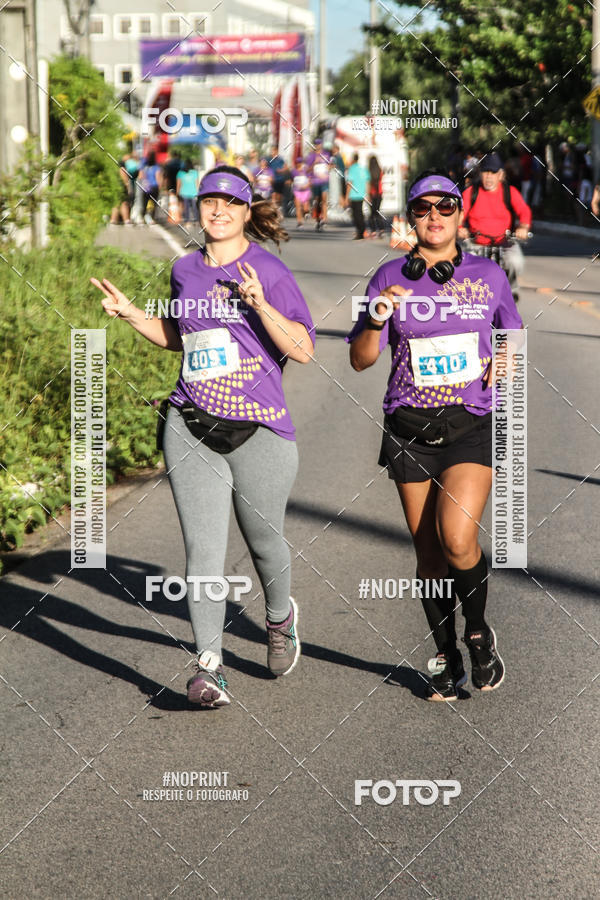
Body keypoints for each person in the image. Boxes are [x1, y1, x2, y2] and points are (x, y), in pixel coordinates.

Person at [91, 165, 315, 708]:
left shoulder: (268, 268)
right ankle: (209, 667)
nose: (217, 211)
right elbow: (182, 337)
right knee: (203, 550)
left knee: (264, 542)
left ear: (246, 211)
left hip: (261, 427)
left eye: (229, 203)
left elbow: (304, 349)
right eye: (208, 201)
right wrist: (132, 316)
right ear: (198, 208)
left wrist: (260, 303)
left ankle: (280, 617)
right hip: (190, 421)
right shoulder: (185, 269)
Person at [347, 168, 523, 701]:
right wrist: (377, 319)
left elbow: (509, 328)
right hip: (408, 427)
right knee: (427, 556)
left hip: (469, 420)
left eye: (445, 207)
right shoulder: (387, 278)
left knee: (457, 539)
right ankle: (444, 655)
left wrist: (507, 357)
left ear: (459, 213)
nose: (434, 217)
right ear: (411, 216)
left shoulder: (487, 277)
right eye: (423, 209)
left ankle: (478, 634)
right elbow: (359, 360)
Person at [459, 151, 532, 299]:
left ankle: (511, 290)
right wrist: (460, 229)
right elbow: (459, 213)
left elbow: (524, 211)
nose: (489, 176)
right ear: (480, 173)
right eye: (486, 172)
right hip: (476, 244)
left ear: (501, 175)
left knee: (515, 261)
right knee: (463, 266)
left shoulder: (509, 192)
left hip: (504, 242)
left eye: (493, 172)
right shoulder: (471, 192)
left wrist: (523, 227)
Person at [306, 138, 331, 230]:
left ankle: (324, 219)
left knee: (324, 199)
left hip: (324, 181)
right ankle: (317, 219)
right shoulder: (311, 156)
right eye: (316, 144)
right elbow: (307, 170)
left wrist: (329, 168)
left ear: (321, 144)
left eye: (319, 144)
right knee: (317, 201)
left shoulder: (326, 154)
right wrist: (314, 163)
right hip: (315, 181)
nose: (318, 146)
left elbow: (330, 165)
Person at [344, 152, 369, 240]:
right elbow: (367, 182)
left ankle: (360, 231)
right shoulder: (363, 169)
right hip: (361, 194)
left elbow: (350, 183)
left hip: (353, 195)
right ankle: (362, 230)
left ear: (353, 159)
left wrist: (346, 197)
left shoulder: (351, 169)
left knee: (355, 215)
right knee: (360, 213)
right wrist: (367, 193)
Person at [138, 150, 163, 225]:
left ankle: (142, 218)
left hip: (146, 186)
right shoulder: (156, 167)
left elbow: (141, 176)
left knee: (144, 203)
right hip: (154, 187)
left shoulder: (144, 166)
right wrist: (160, 187)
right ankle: (151, 218)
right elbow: (158, 177)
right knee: (154, 203)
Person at [175, 159, 199, 226]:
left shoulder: (180, 173)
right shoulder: (195, 172)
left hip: (183, 193)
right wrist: (198, 192)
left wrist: (177, 193)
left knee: (186, 208)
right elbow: (197, 183)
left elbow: (178, 184)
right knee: (194, 207)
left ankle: (187, 221)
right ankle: (196, 220)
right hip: (193, 192)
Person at [366, 154, 384, 239]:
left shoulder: (369, 171)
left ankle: (373, 230)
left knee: (372, 214)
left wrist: (367, 194)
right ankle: (381, 229)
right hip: (379, 193)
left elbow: (368, 183)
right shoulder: (380, 170)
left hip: (372, 193)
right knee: (377, 212)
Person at [291, 158, 312, 228]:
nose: (298, 164)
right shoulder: (293, 171)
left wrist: (305, 186)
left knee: (305, 208)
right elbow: (292, 180)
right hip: (297, 191)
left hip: (305, 191)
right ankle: (299, 222)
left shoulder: (306, 170)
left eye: (300, 163)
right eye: (297, 163)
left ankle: (306, 212)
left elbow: (309, 181)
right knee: (298, 207)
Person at [268, 144, 288, 210]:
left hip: (280, 180)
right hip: (273, 180)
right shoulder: (269, 160)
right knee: (273, 195)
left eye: (274, 151)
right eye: (272, 151)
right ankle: (274, 209)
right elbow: (266, 167)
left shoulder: (280, 159)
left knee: (279, 196)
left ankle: (278, 207)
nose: (273, 152)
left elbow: (286, 168)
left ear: (276, 151)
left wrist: (281, 170)